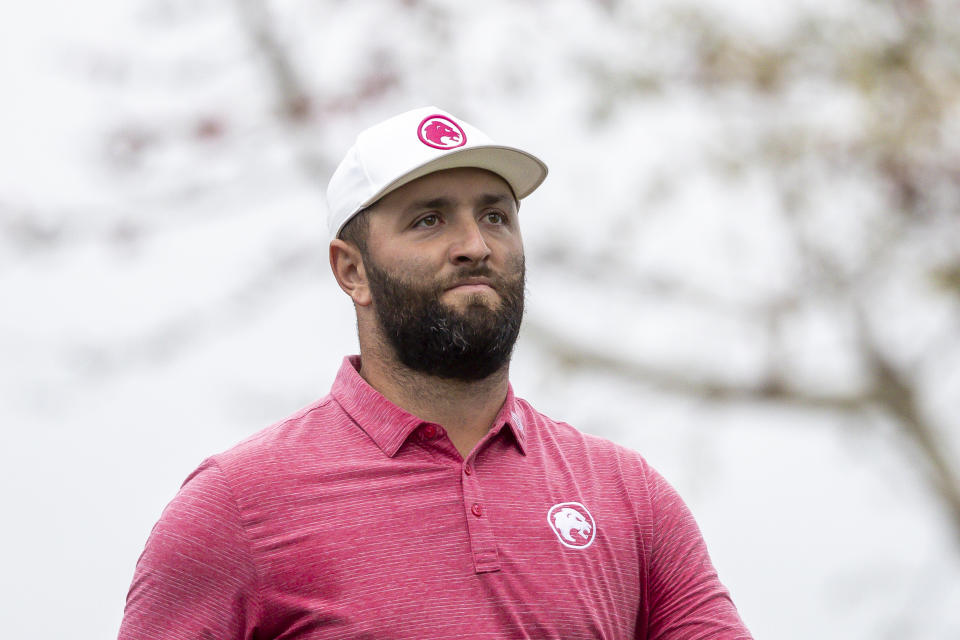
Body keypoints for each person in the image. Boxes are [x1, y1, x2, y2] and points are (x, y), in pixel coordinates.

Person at [118, 106, 752, 639]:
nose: (475, 244)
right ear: (352, 270)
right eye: (429, 219)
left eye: (495, 215)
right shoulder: (235, 505)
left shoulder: (628, 496)